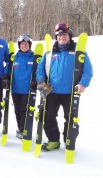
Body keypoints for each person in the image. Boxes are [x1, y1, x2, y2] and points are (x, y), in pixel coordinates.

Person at [36, 22, 93, 151]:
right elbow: (40, 69)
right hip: (51, 91)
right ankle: (54, 140)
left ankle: (69, 139)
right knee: (48, 117)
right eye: (59, 35)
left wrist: (83, 83)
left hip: (70, 92)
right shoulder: (50, 53)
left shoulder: (78, 51)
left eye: (65, 35)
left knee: (71, 119)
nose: (62, 37)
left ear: (69, 36)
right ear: (56, 37)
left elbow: (88, 69)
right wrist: (41, 81)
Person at [10, 34, 34, 139]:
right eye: (22, 44)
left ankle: (24, 129)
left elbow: (39, 71)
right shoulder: (15, 57)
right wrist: (5, 77)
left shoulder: (34, 57)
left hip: (27, 89)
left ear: (29, 45)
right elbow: (8, 70)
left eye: (26, 44)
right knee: (17, 110)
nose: (24, 46)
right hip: (15, 89)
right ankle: (20, 128)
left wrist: (37, 82)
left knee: (24, 110)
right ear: (19, 45)